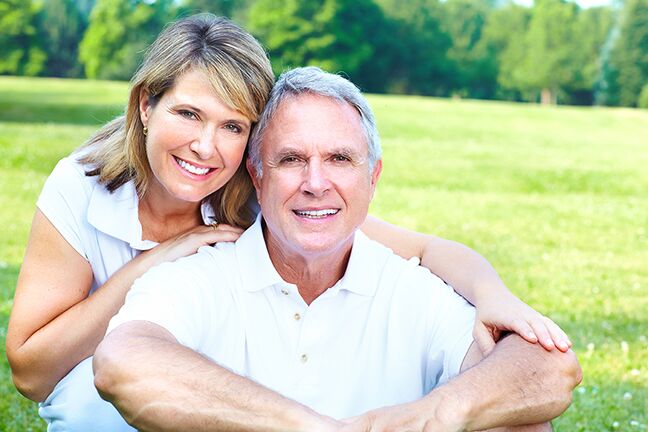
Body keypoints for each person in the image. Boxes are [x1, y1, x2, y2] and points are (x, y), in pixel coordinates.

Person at [6, 14, 569, 432]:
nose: (206, 146)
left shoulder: (257, 195)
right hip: (107, 371)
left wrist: (493, 297)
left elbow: (421, 247)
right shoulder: (84, 187)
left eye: (233, 125)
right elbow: (35, 372)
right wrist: (152, 261)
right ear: (146, 105)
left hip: (210, 364)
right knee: (96, 404)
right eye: (188, 114)